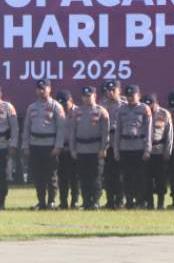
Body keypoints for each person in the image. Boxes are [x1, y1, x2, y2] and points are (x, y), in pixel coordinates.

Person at [22, 80, 64, 210]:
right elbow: (27, 128)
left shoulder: (56, 106)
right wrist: (26, 145)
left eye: (43, 88)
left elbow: (61, 128)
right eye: (39, 89)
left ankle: (51, 202)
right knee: (38, 175)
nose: (41, 91)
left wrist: (58, 146)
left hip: (50, 145)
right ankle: (41, 201)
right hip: (35, 145)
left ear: (49, 89)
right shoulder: (32, 107)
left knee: (51, 175)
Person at [69, 85, 109, 210]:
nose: (86, 98)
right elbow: (72, 132)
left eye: (89, 96)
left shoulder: (101, 111)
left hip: (95, 149)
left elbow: (105, 132)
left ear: (94, 96)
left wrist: (103, 148)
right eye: (84, 96)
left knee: (96, 176)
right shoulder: (77, 111)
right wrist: (73, 149)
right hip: (81, 149)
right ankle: (86, 201)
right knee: (83, 177)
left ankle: (95, 201)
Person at [114, 85, 152, 209]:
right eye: (128, 96)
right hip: (125, 147)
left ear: (138, 96)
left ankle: (140, 201)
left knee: (139, 177)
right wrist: (116, 149)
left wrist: (147, 148)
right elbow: (118, 130)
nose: (130, 98)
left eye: (133, 96)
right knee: (127, 177)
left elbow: (148, 130)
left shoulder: (144, 109)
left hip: (139, 147)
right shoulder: (121, 109)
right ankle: (129, 201)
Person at [99, 80, 125, 209]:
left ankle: (120, 201)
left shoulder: (125, 104)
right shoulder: (102, 104)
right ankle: (109, 201)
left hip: (120, 143)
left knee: (120, 174)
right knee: (108, 174)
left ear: (119, 91)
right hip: (107, 142)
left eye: (113, 90)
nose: (110, 93)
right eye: (108, 90)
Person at [144, 93, 172, 209]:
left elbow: (169, 135)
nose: (149, 106)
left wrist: (167, 152)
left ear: (156, 102)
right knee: (147, 179)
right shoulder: (143, 113)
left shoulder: (164, 114)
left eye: (151, 104)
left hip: (159, 151)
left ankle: (160, 203)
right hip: (146, 152)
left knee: (161, 180)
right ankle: (149, 203)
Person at [55, 90, 80, 209]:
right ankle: (63, 202)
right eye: (60, 104)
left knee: (75, 177)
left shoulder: (78, 112)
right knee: (62, 178)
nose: (63, 106)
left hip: (74, 149)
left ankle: (74, 201)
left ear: (71, 101)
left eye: (65, 103)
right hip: (61, 149)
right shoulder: (57, 112)